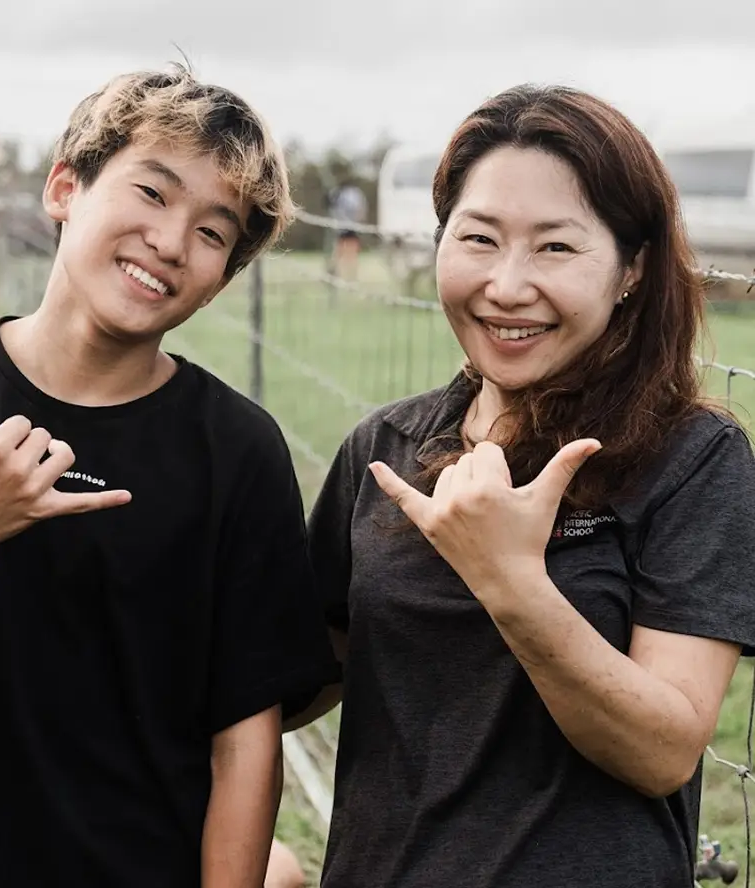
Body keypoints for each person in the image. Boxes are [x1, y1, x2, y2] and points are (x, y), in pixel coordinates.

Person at [0, 65, 339, 887]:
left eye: (212, 233)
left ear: (221, 279)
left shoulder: (238, 452)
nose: (170, 241)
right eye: (152, 193)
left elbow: (245, 738)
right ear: (64, 187)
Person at [290, 84, 755, 887]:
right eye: (479, 239)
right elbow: (296, 675)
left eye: (555, 248)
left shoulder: (692, 459)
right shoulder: (386, 448)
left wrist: (510, 581)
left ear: (631, 271)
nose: (507, 286)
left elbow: (664, 751)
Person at [326, 177, 368, 281]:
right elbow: (361, 210)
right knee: (344, 251)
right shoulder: (351, 193)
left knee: (346, 251)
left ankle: (347, 274)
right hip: (346, 226)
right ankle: (342, 273)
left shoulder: (342, 193)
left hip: (347, 226)